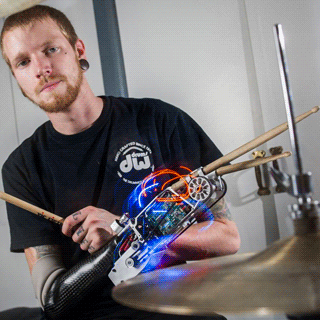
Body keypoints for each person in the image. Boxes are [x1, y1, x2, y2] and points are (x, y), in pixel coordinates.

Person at [0, 5, 240, 320]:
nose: (40, 68)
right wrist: (117, 246)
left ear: (78, 49)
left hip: (163, 305)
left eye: (51, 50)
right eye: (23, 62)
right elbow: (52, 297)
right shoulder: (21, 167)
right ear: (17, 76)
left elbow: (227, 237)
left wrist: (125, 232)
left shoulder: (160, 121)